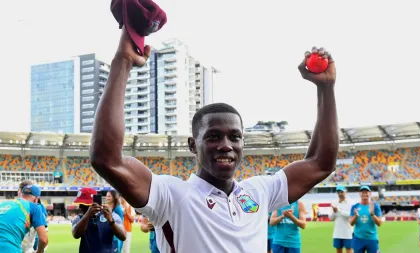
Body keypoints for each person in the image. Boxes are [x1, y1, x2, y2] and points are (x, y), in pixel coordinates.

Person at [90, 25, 338, 252]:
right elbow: (107, 159)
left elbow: (320, 163)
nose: (226, 145)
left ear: (243, 144)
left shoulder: (259, 192)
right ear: (192, 145)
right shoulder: (172, 196)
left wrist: (325, 89)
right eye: (213, 136)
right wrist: (122, 62)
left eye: (235, 137)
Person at [72, 187, 126, 253]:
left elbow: (123, 236)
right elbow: (76, 235)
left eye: (83, 204)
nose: (80, 207)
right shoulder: (79, 218)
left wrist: (111, 221)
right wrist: (87, 215)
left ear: (93, 203)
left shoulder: (111, 215)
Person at [0, 184, 48, 253]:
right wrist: (39, 251)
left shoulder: (3, 204)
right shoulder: (34, 207)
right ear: (36, 199)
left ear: (21, 194)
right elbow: (44, 239)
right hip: (9, 249)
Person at [350, 186, 383, 253]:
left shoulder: (375, 206)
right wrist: (356, 216)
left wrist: (372, 214)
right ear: (360, 193)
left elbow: (379, 223)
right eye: (363, 192)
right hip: (358, 239)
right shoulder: (355, 207)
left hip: (372, 239)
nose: (364, 194)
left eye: (366, 192)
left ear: (370, 193)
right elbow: (351, 223)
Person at [330, 185, 353, 253]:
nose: (340, 194)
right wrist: (334, 212)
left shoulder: (350, 202)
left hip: (348, 232)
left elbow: (350, 215)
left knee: (349, 250)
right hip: (337, 232)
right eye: (338, 192)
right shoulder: (334, 202)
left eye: (341, 192)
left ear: (345, 192)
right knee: (338, 250)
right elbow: (331, 218)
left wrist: (338, 211)